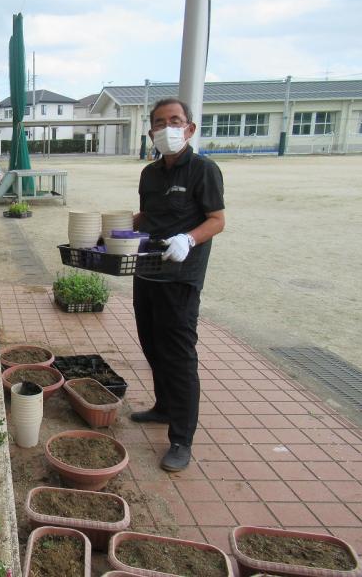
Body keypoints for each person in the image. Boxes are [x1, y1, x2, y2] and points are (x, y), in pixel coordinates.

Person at [130, 98, 225, 472]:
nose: (166, 128)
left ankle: (181, 439)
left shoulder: (203, 170)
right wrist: (114, 227)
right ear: (151, 131)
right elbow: (146, 216)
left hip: (181, 279)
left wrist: (188, 238)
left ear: (189, 128)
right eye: (158, 122)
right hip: (147, 272)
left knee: (179, 356)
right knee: (152, 343)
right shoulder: (150, 174)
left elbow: (217, 219)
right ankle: (164, 407)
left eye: (174, 120)